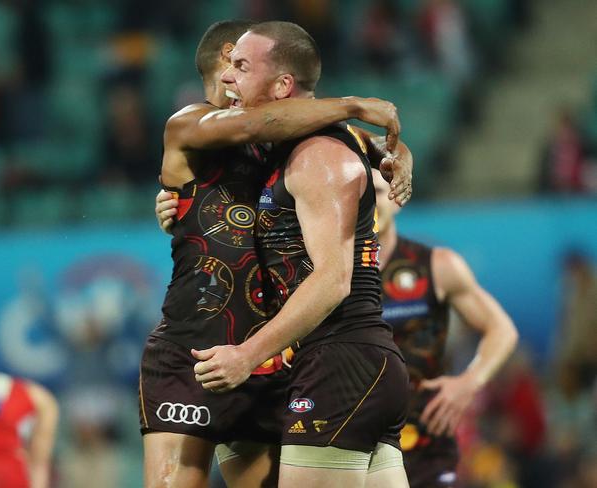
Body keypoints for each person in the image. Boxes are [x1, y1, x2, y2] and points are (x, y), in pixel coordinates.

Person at [141, 19, 413, 488]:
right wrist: (354, 105)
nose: (234, 78)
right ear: (226, 57)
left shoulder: (288, 142)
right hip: (194, 346)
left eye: (246, 67)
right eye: (238, 64)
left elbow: (331, 136)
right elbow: (257, 120)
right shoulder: (192, 122)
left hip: (268, 350)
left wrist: (393, 150)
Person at [371, 172, 518, 487]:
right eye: (360, 194)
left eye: (379, 192)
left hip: (425, 440)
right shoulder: (326, 271)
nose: (369, 203)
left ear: (397, 198)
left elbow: (502, 329)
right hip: (354, 442)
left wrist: (469, 382)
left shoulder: (436, 266)